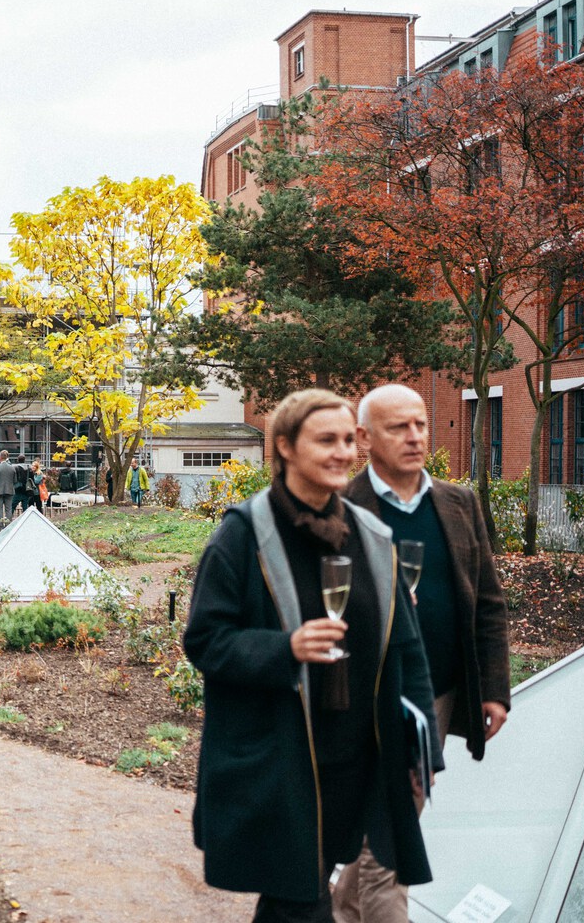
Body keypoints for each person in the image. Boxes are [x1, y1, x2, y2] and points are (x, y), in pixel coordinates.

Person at [184, 389, 438, 923]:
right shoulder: (241, 535)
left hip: (353, 757)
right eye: (326, 440)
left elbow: (405, 645)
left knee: (297, 893)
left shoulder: (370, 535)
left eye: (349, 439)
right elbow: (205, 640)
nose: (343, 451)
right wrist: (285, 648)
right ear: (285, 447)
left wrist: (421, 747)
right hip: (281, 759)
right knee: (301, 899)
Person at [332, 384, 512, 923]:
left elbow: (487, 601)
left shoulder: (459, 504)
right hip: (361, 697)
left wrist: (496, 690)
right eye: (397, 427)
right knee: (392, 832)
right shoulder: (337, 509)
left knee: (387, 824)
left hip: (434, 693)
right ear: (364, 438)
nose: (414, 437)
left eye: (421, 425)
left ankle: (336, 913)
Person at [0, 450, 16, 529]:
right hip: (9, 490)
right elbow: (15, 481)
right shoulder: (12, 468)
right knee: (8, 509)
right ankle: (8, 527)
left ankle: (1, 527)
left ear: (0, 457)